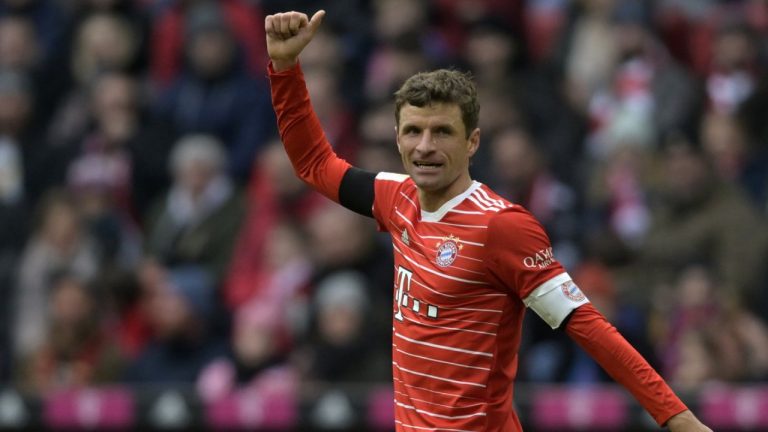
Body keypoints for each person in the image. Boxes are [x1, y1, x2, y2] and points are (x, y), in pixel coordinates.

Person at [265, 10, 712, 431]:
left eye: (442, 132)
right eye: (413, 131)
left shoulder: (501, 226)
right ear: (397, 138)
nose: (424, 147)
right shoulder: (396, 197)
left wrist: (674, 416)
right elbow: (314, 164)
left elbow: (587, 325)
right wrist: (285, 68)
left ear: (473, 141)